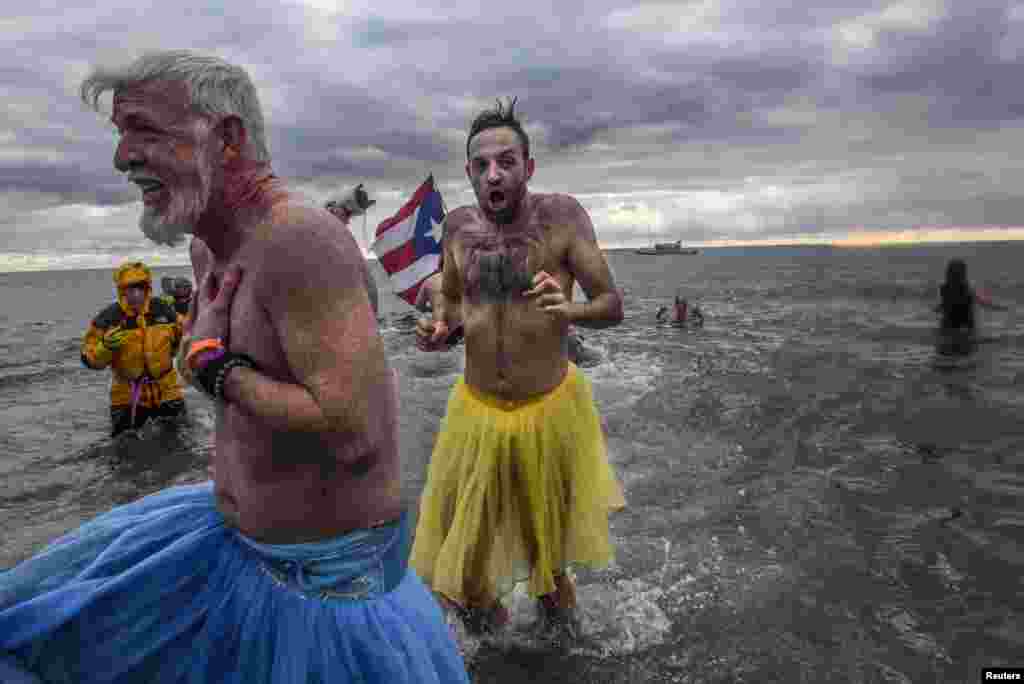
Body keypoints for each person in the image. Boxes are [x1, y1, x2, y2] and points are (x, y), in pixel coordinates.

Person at [0, 50, 468, 684]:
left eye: (145, 131)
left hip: (324, 595)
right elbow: (218, 364)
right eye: (120, 136)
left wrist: (216, 371)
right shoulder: (207, 248)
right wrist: (207, 357)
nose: (121, 159)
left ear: (226, 138)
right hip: (231, 544)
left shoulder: (298, 240)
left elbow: (352, 430)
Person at [412, 97, 627, 636]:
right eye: (482, 164)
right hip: (476, 415)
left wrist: (570, 309)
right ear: (469, 173)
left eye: (507, 161)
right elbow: (456, 303)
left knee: (548, 573)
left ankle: (565, 659)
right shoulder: (458, 228)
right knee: (458, 574)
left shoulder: (562, 218)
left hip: (548, 413)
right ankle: (490, 651)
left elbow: (611, 304)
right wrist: (441, 331)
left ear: (528, 167)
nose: (494, 173)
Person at [80, 260, 186, 436]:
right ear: (122, 291)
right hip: (126, 397)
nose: (136, 294)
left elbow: (181, 338)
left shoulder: (164, 310)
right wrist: (105, 347)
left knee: (181, 446)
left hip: (168, 391)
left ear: (148, 288)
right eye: (130, 289)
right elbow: (89, 360)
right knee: (123, 450)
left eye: (141, 288)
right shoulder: (108, 318)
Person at [934, 258, 1008, 355]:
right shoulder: (966, 288)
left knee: (946, 352)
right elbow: (981, 302)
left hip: (949, 325)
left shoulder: (944, 288)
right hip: (964, 325)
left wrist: (935, 309)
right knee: (965, 353)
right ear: (963, 272)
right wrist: (999, 307)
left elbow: (944, 305)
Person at [326, 184, 380, 315]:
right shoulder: (328, 239)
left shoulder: (342, 240)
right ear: (332, 209)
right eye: (347, 214)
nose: (348, 220)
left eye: (350, 215)